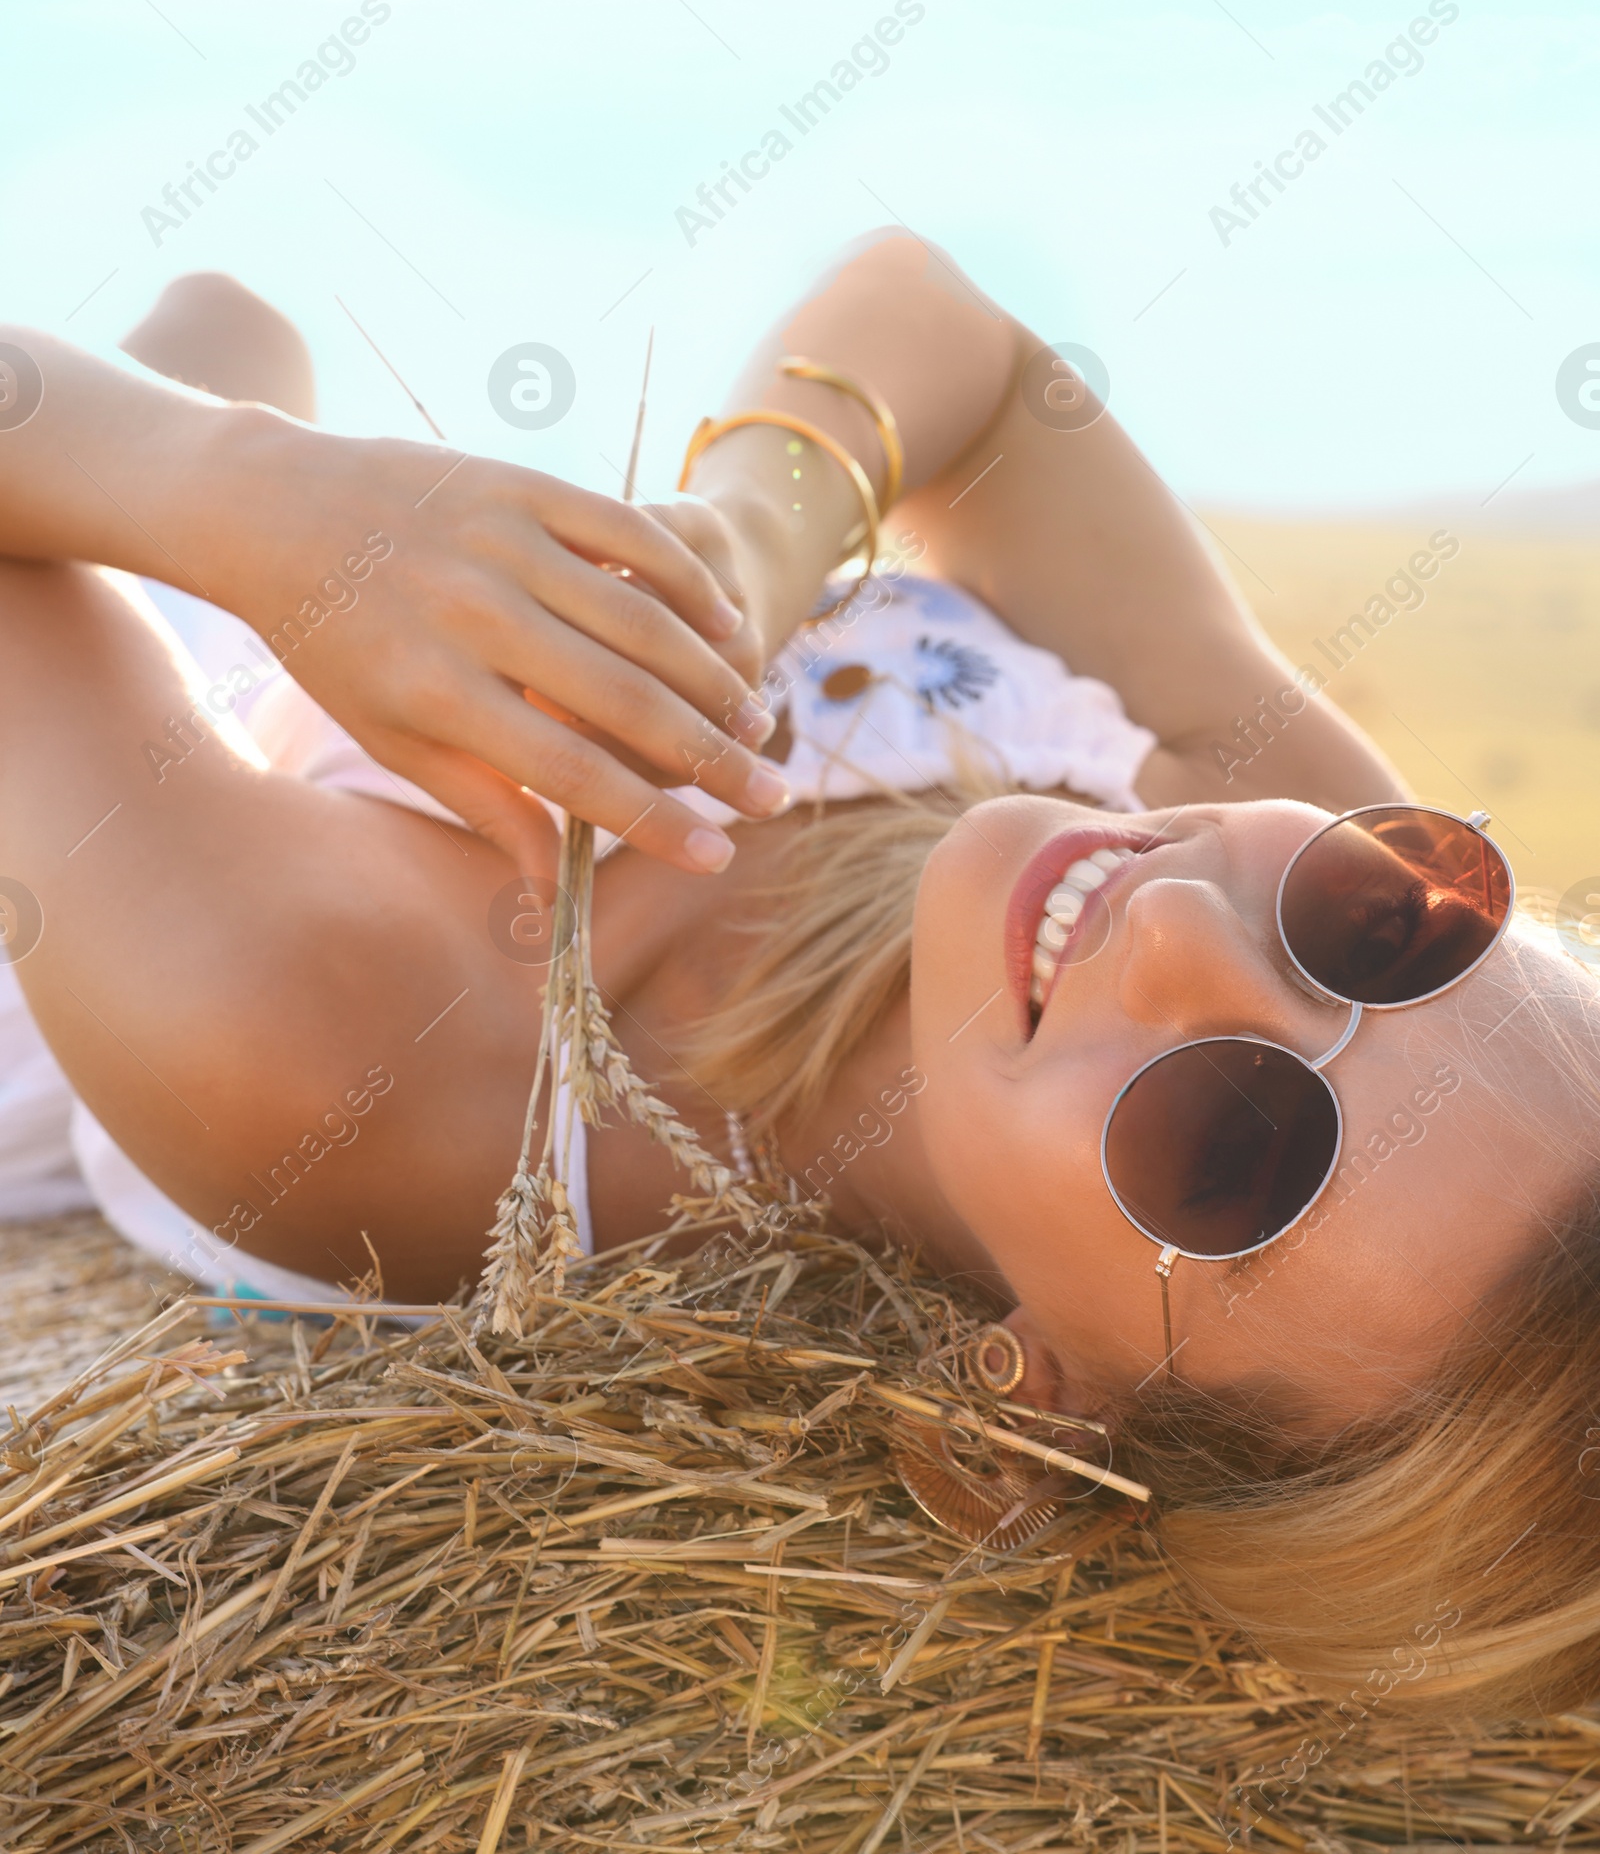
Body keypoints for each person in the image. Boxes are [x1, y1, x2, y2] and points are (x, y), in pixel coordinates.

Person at [0, 233, 1596, 1729]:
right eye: (1398, 933)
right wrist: (747, 551)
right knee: (237, 314)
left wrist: (258, 500)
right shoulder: (1280, 843)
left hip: (68, 846)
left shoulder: (340, 1068)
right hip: (221, 681)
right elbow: (952, 337)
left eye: (1230, 1144)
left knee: (196, 362)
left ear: (1046, 1410)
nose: (1184, 931)